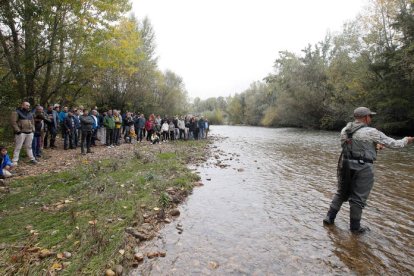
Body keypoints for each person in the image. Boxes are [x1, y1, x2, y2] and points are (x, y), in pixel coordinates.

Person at [323, 107, 414, 234]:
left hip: (345, 165)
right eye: (370, 116)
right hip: (363, 168)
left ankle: (329, 218)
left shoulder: (345, 130)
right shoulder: (372, 132)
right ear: (366, 117)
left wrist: (374, 147)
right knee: (358, 198)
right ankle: (355, 228)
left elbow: (352, 145)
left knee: (341, 192)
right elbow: (395, 144)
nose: (371, 118)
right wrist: (406, 140)